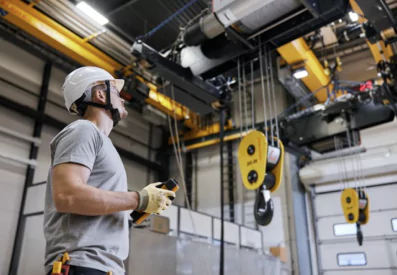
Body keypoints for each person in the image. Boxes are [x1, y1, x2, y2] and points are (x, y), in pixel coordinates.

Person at [43, 66, 175, 275]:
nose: (122, 98)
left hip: (102, 267)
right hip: (81, 264)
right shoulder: (83, 130)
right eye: (116, 91)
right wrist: (137, 199)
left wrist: (140, 208)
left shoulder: (103, 144)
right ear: (100, 93)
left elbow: (94, 211)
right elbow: (67, 196)